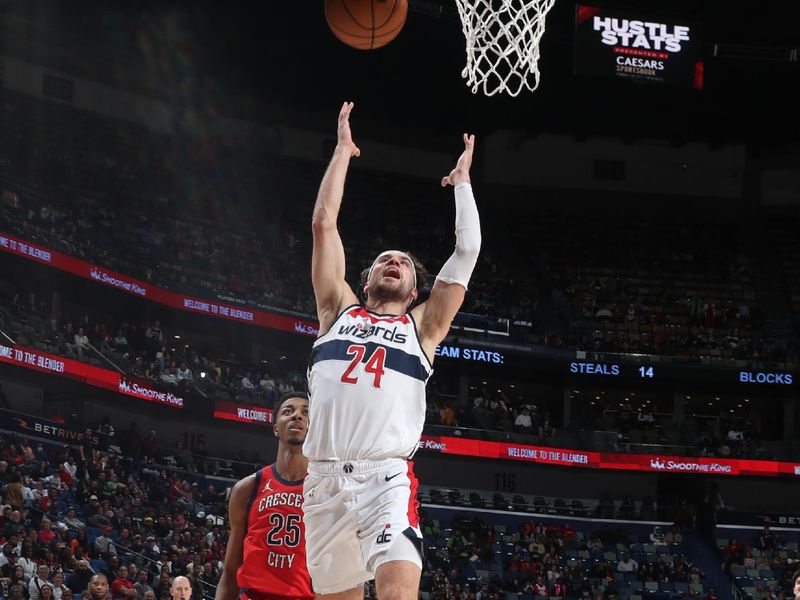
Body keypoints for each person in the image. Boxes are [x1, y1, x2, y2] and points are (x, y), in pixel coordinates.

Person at [304, 102, 481, 600]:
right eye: (384, 258)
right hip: (323, 485)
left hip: (387, 479)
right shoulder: (337, 310)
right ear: (365, 280)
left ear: (414, 290)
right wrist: (342, 153)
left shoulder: (422, 327)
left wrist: (463, 185)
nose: (393, 262)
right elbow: (323, 223)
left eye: (403, 262)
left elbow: (466, 253)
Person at [215, 392, 312, 600]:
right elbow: (230, 573)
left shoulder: (326, 489)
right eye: (288, 411)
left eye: (305, 413)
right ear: (276, 427)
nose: (297, 416)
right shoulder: (247, 489)